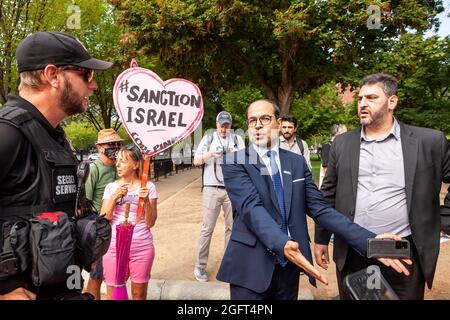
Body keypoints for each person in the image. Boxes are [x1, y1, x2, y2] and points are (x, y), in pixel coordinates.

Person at [216, 99, 411, 300]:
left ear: (279, 122)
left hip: (290, 266)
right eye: (251, 120)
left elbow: (321, 209)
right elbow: (251, 209)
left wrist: (369, 241)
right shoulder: (234, 161)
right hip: (250, 266)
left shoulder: (296, 162)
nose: (257, 125)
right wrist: (282, 243)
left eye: (265, 119)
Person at [314, 73, 450, 300]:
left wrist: (444, 219)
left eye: (371, 98)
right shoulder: (342, 143)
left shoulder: (429, 141)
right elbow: (328, 193)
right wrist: (320, 238)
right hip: (353, 247)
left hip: (402, 250)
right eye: (359, 99)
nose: (362, 104)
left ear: (392, 102)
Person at [0, 31, 112, 300]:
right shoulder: (9, 132)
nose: (93, 85)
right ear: (52, 75)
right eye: (87, 74)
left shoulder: (56, 137)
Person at [192, 111, 245, 281]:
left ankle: (230, 264)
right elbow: (196, 161)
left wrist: (235, 154)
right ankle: (200, 266)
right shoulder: (208, 139)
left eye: (227, 125)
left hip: (232, 189)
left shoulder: (237, 140)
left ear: (231, 125)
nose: (224, 128)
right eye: (221, 125)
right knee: (207, 228)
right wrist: (210, 154)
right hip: (211, 188)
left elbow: (245, 162)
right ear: (216, 124)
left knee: (232, 228)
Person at [101, 145, 157, 300]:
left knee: (139, 294)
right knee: (114, 294)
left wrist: (146, 202)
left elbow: (151, 223)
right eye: (117, 161)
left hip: (141, 247)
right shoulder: (111, 187)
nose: (117, 164)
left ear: (136, 164)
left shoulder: (149, 187)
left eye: (123, 161)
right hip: (114, 248)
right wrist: (114, 198)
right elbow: (104, 218)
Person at [84, 128, 124, 300]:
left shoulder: (119, 166)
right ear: (99, 147)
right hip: (99, 229)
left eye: (117, 144)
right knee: (97, 274)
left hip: (116, 227)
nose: (114, 147)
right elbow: (85, 203)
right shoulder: (94, 169)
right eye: (110, 144)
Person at [319, 124, 347, 188]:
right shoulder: (327, 147)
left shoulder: (340, 146)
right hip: (330, 187)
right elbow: (326, 169)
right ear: (338, 133)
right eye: (345, 133)